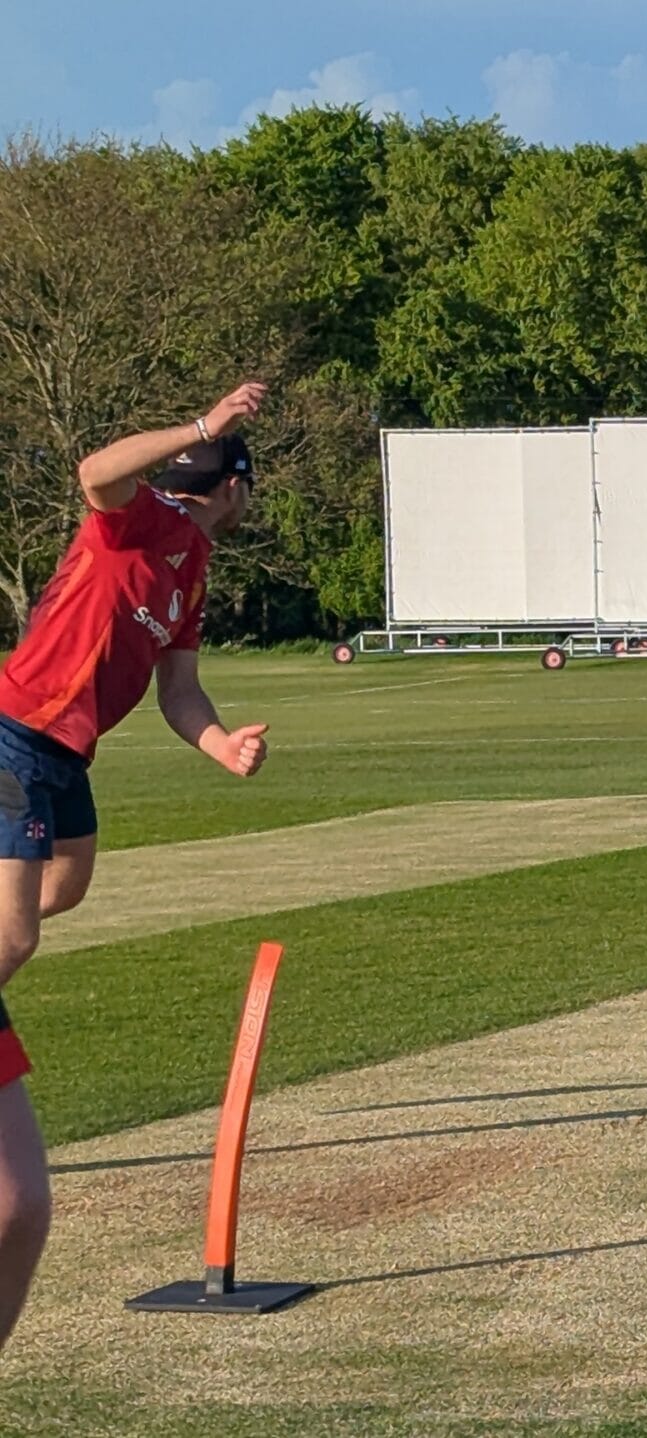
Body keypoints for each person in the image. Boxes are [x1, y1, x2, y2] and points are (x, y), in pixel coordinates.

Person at [0, 382, 273, 1350]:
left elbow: (181, 689)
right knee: (15, 931)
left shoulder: (191, 565)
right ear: (227, 484)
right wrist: (203, 426)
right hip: (14, 731)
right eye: (247, 485)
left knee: (67, 885)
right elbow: (92, 474)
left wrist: (221, 748)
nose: (250, 503)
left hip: (63, 753)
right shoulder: (143, 520)